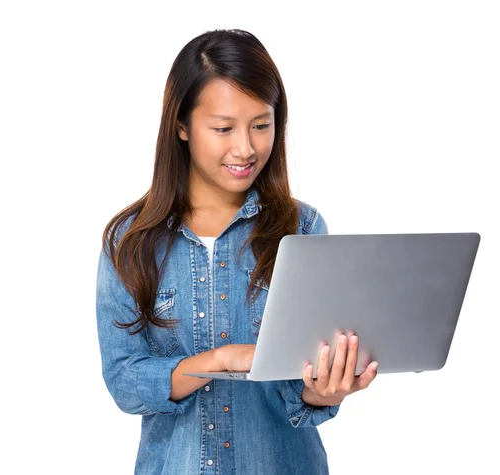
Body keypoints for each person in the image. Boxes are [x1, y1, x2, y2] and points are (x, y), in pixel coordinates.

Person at [95, 28, 379, 475]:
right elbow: (126, 382)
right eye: (224, 128)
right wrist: (219, 360)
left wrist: (324, 391)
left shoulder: (301, 230)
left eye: (261, 125)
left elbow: (302, 384)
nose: (245, 148)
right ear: (182, 125)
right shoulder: (130, 241)